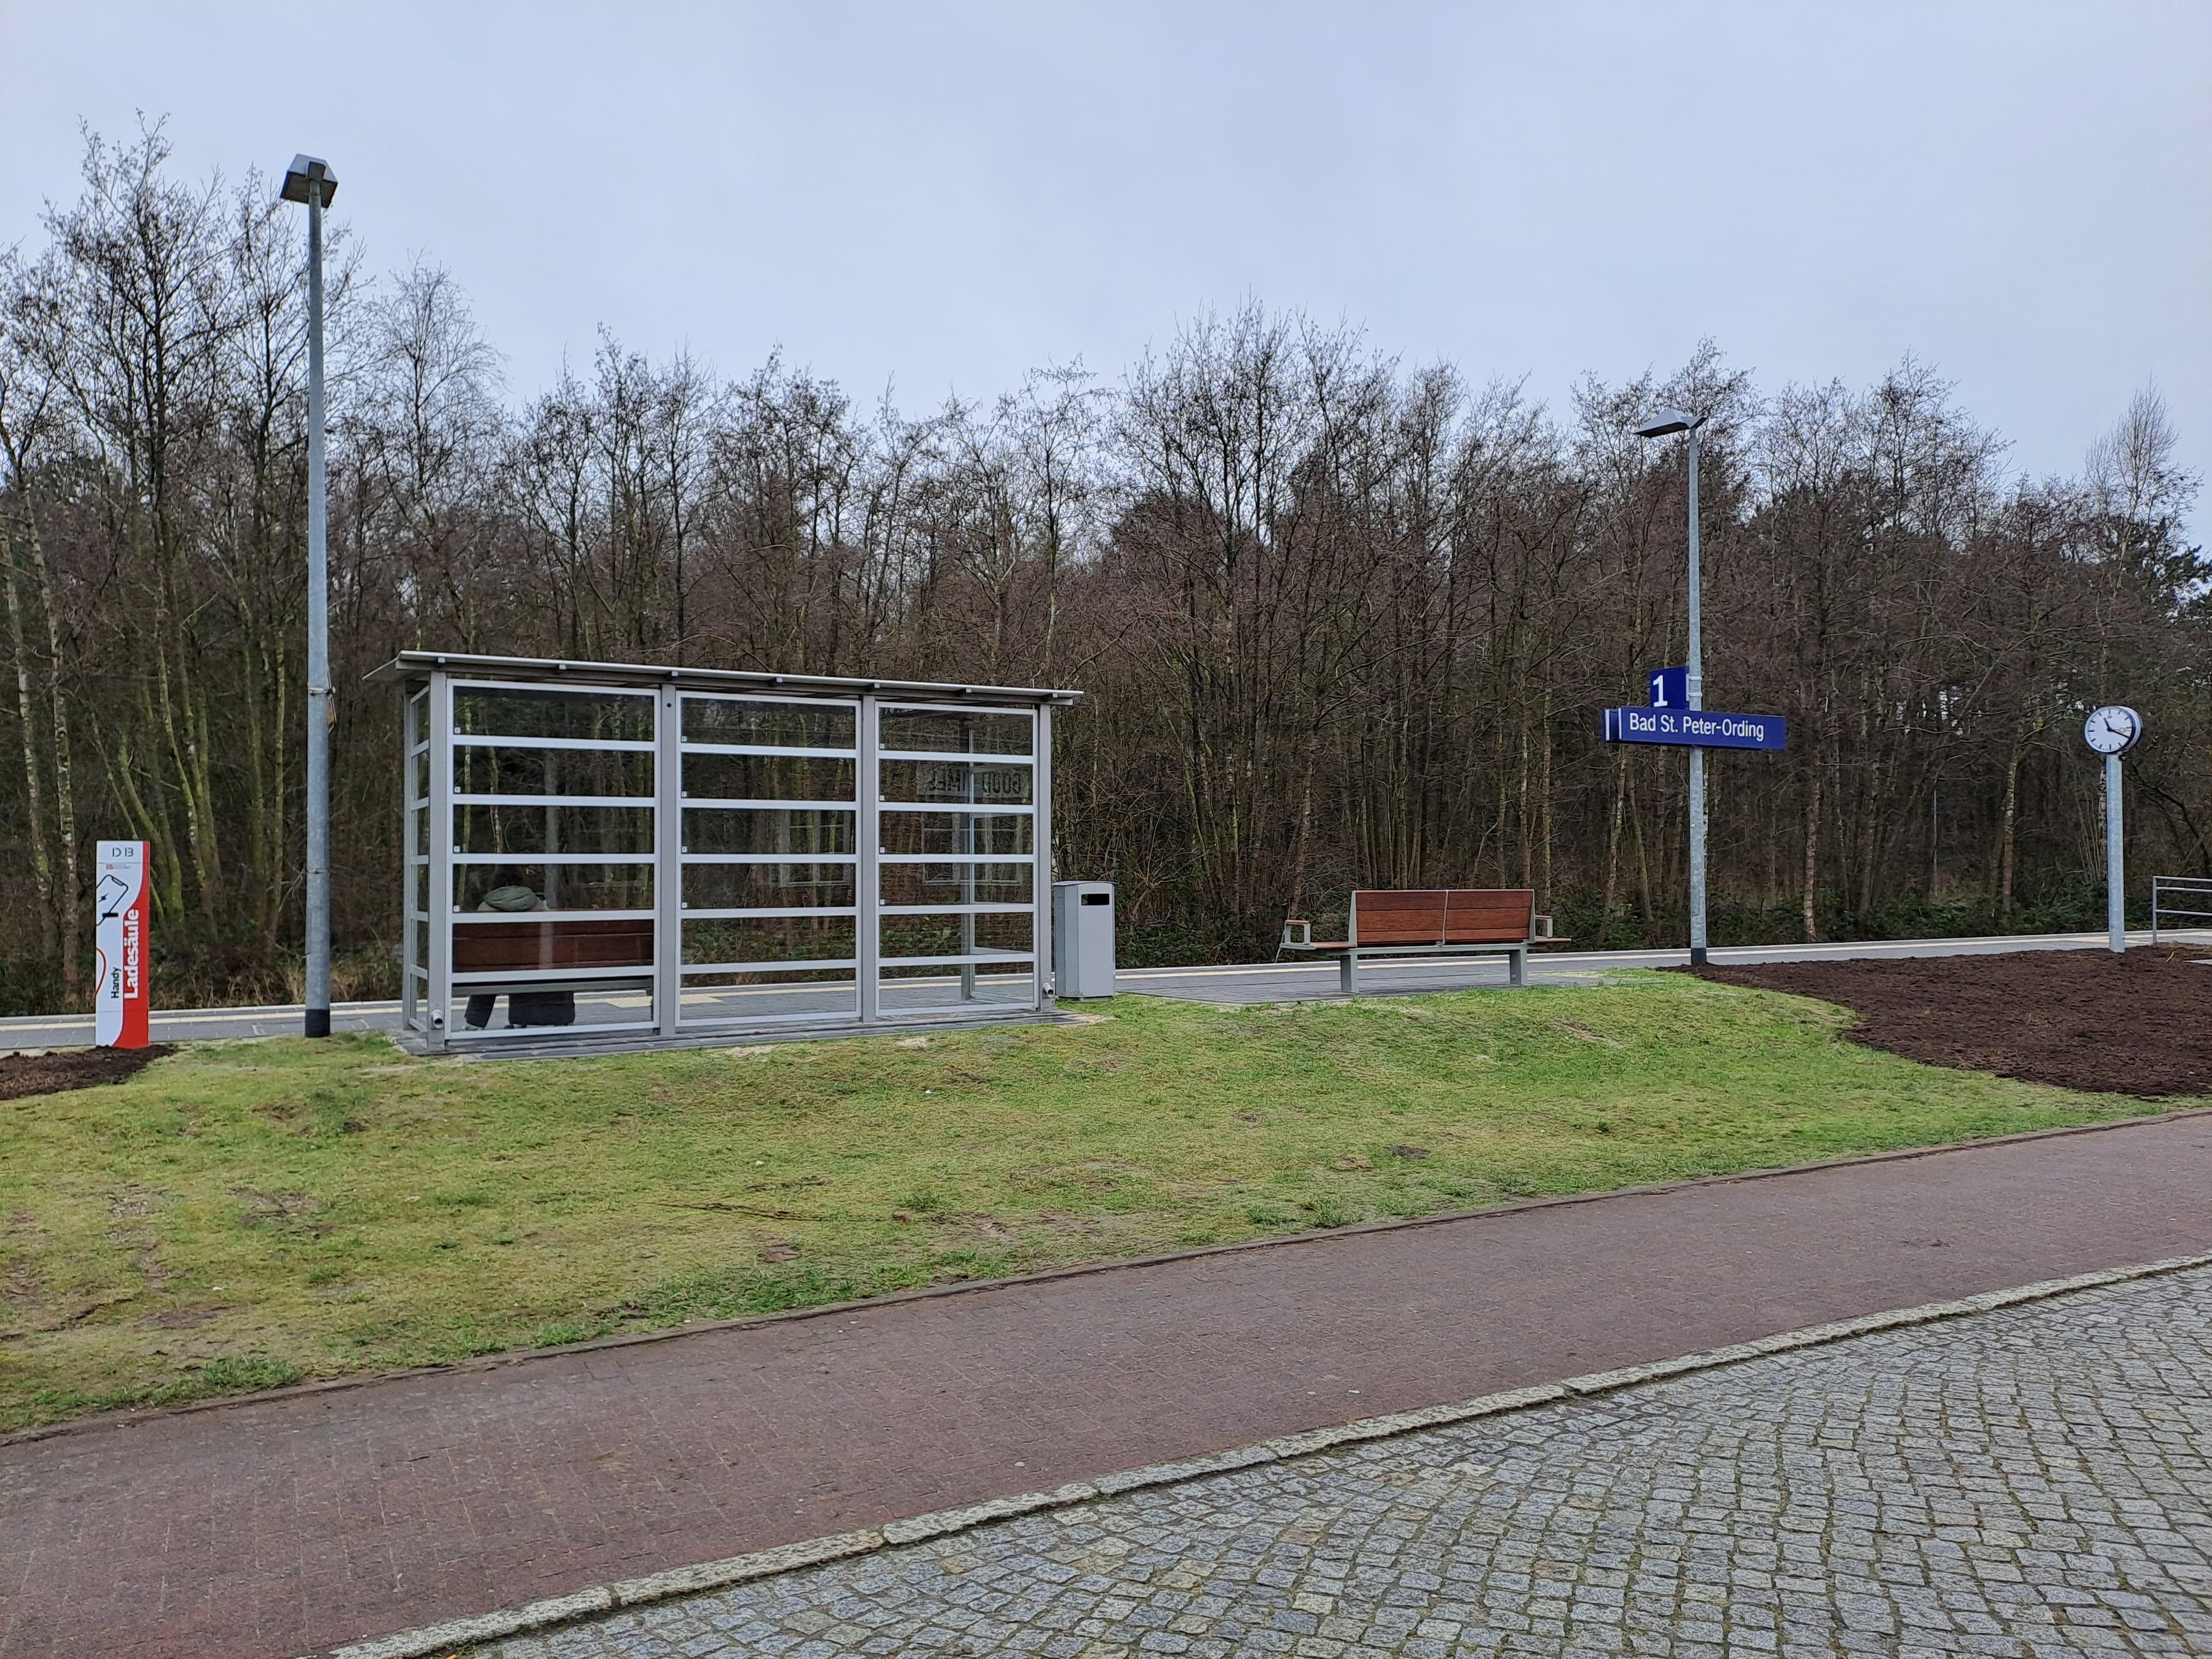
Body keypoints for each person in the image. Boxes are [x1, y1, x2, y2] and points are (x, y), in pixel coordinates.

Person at [463, 870, 578, 1029]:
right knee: (532, 961)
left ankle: (474, 1024)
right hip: (533, 966)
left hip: (497, 968)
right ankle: (525, 1017)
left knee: (489, 966)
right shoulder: (538, 905)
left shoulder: (485, 908)